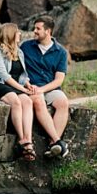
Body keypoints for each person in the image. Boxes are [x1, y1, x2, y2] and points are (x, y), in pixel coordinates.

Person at [20, 15, 70, 158]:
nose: (34, 31)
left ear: (48, 31)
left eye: (38, 28)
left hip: (49, 87)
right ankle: (57, 142)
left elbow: (59, 79)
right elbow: (17, 68)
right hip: (31, 87)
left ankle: (52, 144)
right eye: (34, 28)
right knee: (38, 100)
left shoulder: (60, 52)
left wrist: (43, 89)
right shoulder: (26, 47)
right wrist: (27, 84)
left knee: (63, 102)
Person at [0, 23, 37, 161]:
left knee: (27, 101)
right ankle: (22, 140)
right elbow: (5, 76)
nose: (20, 34)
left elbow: (21, 75)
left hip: (14, 86)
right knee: (15, 100)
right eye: (17, 32)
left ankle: (29, 139)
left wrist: (28, 85)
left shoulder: (19, 52)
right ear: (11, 34)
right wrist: (23, 89)